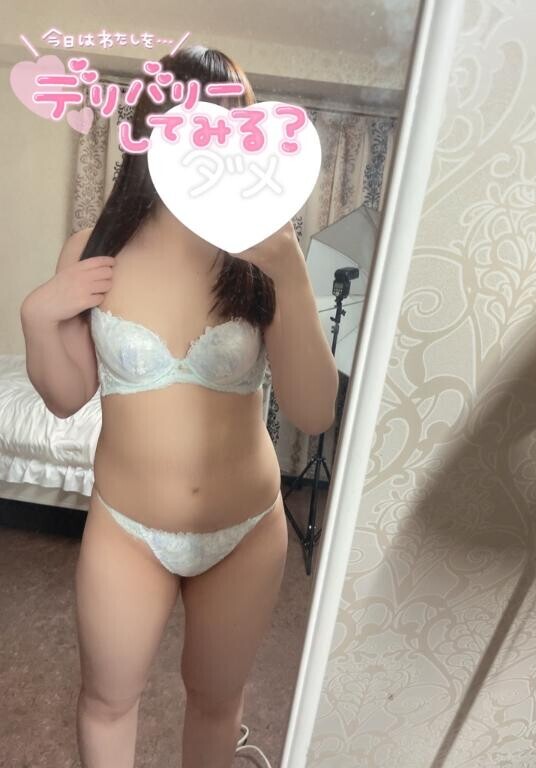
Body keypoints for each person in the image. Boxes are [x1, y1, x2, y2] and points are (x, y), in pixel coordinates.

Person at [19, 44, 339, 768]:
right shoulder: (94, 248)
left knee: (218, 702)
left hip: (245, 529)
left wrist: (289, 268)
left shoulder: (262, 259)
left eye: (230, 124)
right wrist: (39, 316)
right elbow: (67, 399)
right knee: (107, 701)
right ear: (149, 131)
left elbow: (315, 411)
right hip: (126, 529)